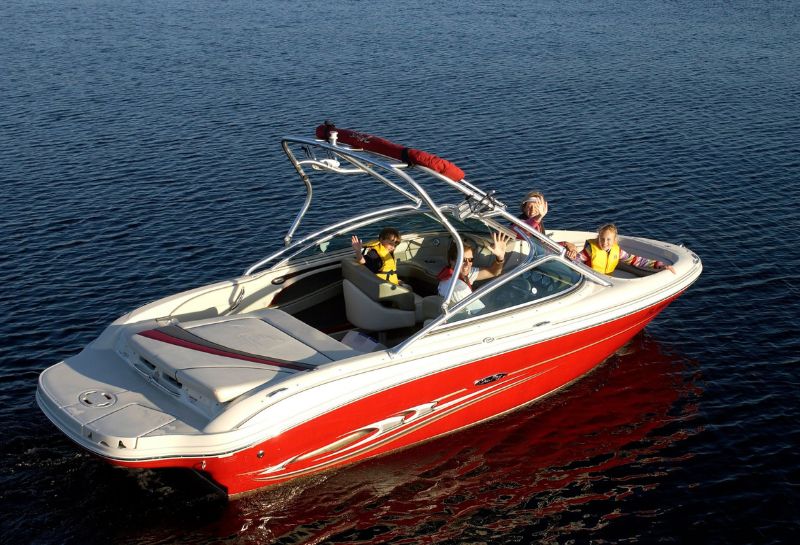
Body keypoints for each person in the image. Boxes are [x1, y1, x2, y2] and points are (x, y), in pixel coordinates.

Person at [437, 231, 512, 306]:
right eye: (463, 260)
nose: (467, 264)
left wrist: (500, 257)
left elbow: (493, 272)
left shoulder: (462, 273)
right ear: (452, 261)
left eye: (470, 260)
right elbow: (477, 311)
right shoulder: (457, 287)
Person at [576, 223, 676, 275]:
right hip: (590, 279)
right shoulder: (591, 250)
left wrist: (660, 265)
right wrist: (572, 255)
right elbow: (576, 260)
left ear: (615, 240)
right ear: (598, 238)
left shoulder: (618, 252)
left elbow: (637, 261)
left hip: (607, 281)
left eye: (608, 239)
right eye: (602, 239)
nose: (605, 242)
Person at [515, 191, 578, 259]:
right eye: (529, 207)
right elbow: (524, 229)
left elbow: (543, 244)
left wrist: (565, 244)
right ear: (524, 208)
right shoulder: (519, 222)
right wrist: (538, 217)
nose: (532, 210)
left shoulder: (538, 222)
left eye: (536, 207)